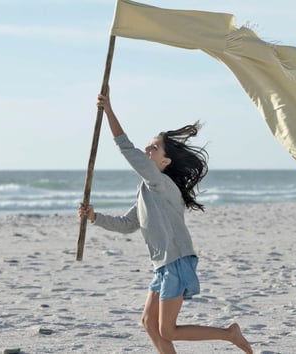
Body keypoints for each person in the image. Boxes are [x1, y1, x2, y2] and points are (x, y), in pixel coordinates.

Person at [78, 90, 253, 354]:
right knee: (149, 322)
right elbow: (128, 224)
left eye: (153, 147)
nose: (147, 149)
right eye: (148, 146)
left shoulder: (162, 183)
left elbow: (127, 149)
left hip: (176, 261)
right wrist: (94, 217)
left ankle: (230, 333)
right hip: (162, 266)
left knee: (167, 330)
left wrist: (109, 111)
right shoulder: (147, 189)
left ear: (165, 161)